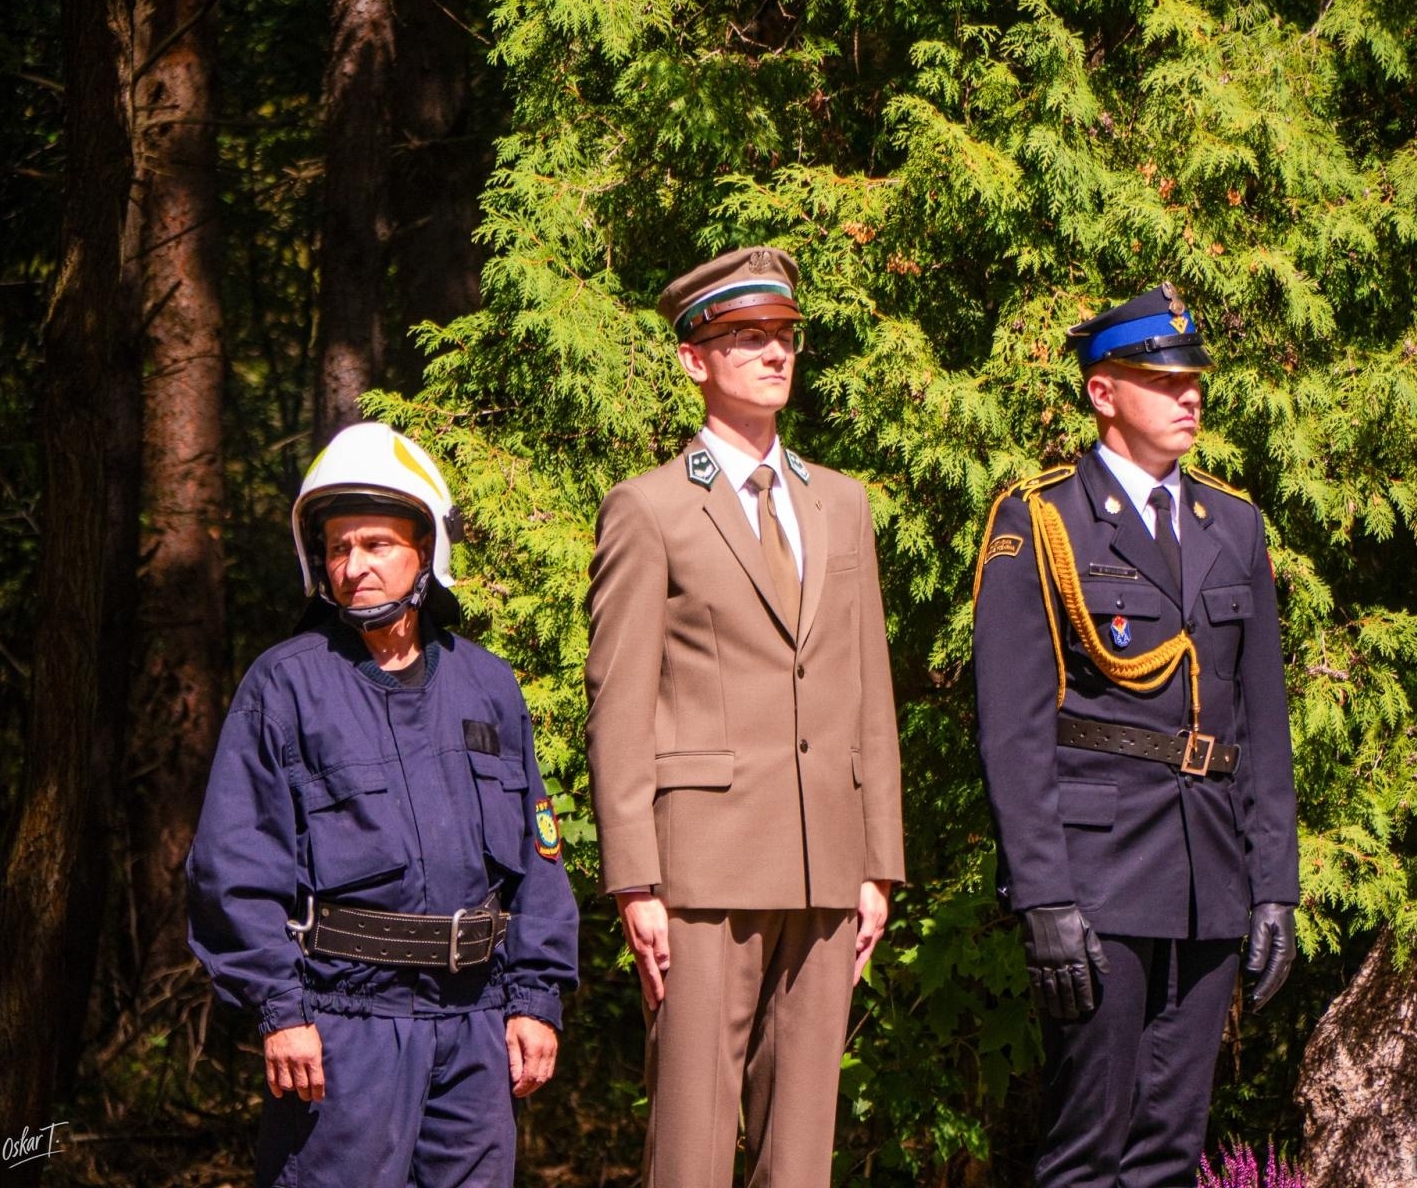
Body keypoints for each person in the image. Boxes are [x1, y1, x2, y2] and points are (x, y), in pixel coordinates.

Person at [584, 245, 905, 1187]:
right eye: (746, 338)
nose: (774, 354)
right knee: (690, 1142)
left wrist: (876, 862)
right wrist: (634, 879)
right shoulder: (648, 510)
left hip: (826, 863)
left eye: (783, 337)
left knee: (802, 1150)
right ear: (694, 360)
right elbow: (619, 704)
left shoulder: (841, 505)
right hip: (702, 870)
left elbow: (868, 694)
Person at [187, 422, 579, 1188]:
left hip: (475, 1029)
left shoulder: (487, 686)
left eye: (376, 545)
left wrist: (535, 997)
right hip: (342, 1031)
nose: (356, 567)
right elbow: (232, 865)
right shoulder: (286, 686)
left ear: (425, 551)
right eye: (339, 549)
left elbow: (539, 863)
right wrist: (282, 1010)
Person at [972, 284, 1299, 1187]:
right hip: (1097, 875)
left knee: (1169, 1148)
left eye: (1193, 379)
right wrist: (1042, 898)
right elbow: (1013, 729)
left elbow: (1261, 725)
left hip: (1208, 879)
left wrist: (1274, 887)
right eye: (1161, 381)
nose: (1188, 396)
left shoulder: (1233, 525)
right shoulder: (1041, 521)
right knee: (1088, 1146)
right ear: (1103, 393)